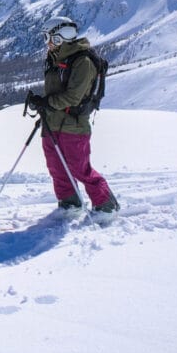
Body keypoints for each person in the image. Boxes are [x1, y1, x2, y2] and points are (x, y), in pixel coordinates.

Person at [26, 17, 119, 213]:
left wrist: (46, 103)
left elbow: (74, 97)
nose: (47, 42)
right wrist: (41, 102)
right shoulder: (55, 59)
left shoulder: (82, 61)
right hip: (51, 122)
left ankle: (106, 204)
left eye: (48, 37)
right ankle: (70, 203)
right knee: (57, 168)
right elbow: (55, 91)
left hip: (73, 125)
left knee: (79, 168)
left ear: (60, 37)